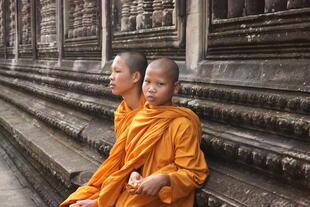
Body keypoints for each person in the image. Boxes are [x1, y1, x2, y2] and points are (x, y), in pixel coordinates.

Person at [59, 51, 148, 207]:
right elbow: (123, 162)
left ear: (135, 77)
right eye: (111, 71)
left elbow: (149, 169)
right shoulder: (123, 112)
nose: (111, 77)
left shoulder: (156, 117)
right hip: (122, 178)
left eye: (117, 71)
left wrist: (98, 202)